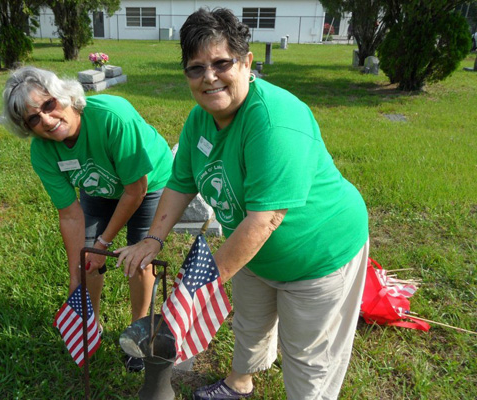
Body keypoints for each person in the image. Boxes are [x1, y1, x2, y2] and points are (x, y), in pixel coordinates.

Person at [116, 8, 369, 399]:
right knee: (250, 323)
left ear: (247, 62)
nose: (209, 77)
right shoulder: (200, 119)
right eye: (196, 68)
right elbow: (181, 183)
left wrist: (197, 289)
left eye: (221, 63)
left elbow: (265, 220)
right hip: (252, 253)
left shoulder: (274, 121)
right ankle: (240, 382)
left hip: (317, 253)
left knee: (307, 354)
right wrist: (153, 240)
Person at [2, 66, 173, 372]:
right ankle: (88, 325)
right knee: (88, 259)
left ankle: (138, 331)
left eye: (48, 105)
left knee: (139, 256)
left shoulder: (112, 117)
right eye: (33, 119)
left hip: (149, 181)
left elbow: (135, 189)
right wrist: (74, 277)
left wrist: (104, 241)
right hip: (100, 186)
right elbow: (69, 215)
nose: (47, 120)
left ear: (64, 95)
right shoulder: (42, 152)